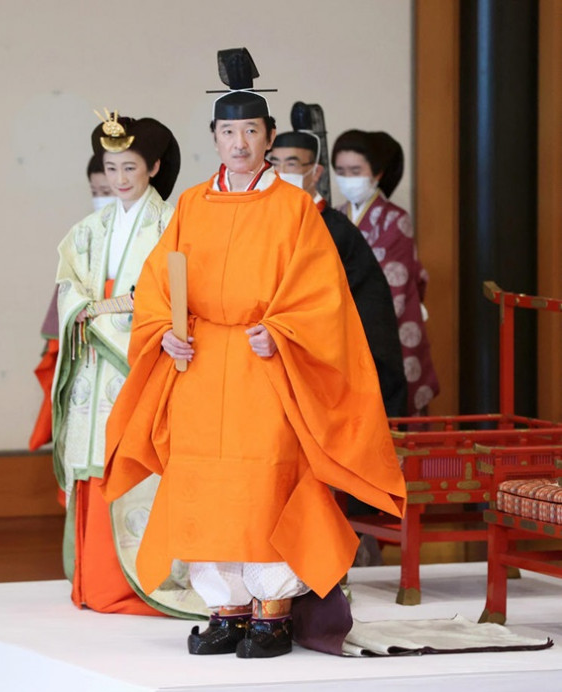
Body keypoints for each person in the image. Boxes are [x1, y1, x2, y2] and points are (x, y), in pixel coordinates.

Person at [101, 48, 406, 658]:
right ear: (214, 137)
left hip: (265, 365)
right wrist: (164, 329)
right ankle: (226, 609)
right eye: (227, 131)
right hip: (199, 361)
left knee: (266, 482)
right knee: (205, 486)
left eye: (249, 131)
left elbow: (322, 294)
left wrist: (284, 330)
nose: (238, 143)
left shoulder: (293, 207)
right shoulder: (192, 204)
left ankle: (273, 613)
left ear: (268, 136)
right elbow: (158, 282)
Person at [51, 111, 184, 616]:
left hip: (142, 363)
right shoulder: (90, 228)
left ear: (154, 167)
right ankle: (94, 581)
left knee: (136, 463)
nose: (120, 178)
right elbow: (69, 288)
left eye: (130, 167)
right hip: (94, 365)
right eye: (111, 168)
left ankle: (139, 583)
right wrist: (85, 311)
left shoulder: (172, 224)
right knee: (93, 458)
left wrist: (98, 315)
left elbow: (169, 299)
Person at [268, 127, 407, 418]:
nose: (281, 173)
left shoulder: (335, 229)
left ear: (315, 172)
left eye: (291, 164)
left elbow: (355, 305)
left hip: (330, 354)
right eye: (274, 164)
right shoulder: (267, 222)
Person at [332, 130, 439, 415]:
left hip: (386, 324)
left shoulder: (395, 220)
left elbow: (395, 282)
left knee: (391, 405)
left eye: (355, 171)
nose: (347, 178)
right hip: (342, 325)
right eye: (341, 171)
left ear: (377, 173)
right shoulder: (335, 217)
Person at [29, 155, 115, 452]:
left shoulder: (153, 232)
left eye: (108, 191)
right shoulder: (83, 236)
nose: (102, 198)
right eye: (96, 191)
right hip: (84, 353)